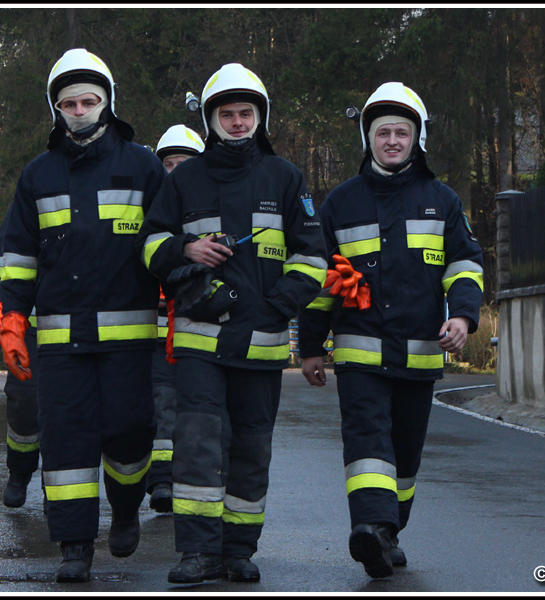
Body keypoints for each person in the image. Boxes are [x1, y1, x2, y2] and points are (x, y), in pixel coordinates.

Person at [137, 63, 328, 584]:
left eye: (246, 113)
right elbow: (151, 245)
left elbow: (313, 258)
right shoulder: (187, 178)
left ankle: (239, 549)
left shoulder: (285, 177)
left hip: (263, 343)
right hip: (200, 343)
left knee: (250, 448)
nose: (238, 121)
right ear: (211, 119)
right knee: (196, 445)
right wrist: (185, 247)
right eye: (228, 113)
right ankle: (197, 553)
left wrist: (276, 306)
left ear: (259, 118)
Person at [297, 82, 484, 579]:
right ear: (369, 138)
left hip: (421, 353)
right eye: (384, 132)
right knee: (366, 437)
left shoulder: (442, 201)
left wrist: (462, 317)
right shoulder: (340, 203)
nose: (393, 141)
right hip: (358, 352)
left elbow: (464, 264)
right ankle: (369, 529)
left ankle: (389, 531)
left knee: (404, 451)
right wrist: (312, 345)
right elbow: (320, 280)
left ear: (417, 138)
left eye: (403, 132)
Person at [0, 48, 166, 583]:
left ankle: (122, 509)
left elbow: (165, 243)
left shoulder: (143, 166)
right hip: (61, 341)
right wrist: (11, 322)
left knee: (130, 434)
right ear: (56, 110)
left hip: (129, 341)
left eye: (88, 100)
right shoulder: (38, 175)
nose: (79, 110)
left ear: (108, 103)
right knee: (66, 441)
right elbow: (19, 257)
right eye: (68, 102)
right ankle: (74, 545)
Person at [146, 124, 205, 514]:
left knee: (198, 410)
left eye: (184, 163)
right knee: (162, 406)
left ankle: (191, 481)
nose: (176, 170)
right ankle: (163, 482)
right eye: (169, 163)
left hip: (202, 330)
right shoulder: (153, 211)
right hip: (157, 334)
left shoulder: (208, 210)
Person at [0, 209, 41, 510]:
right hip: (27, 326)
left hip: (79, 328)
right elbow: (0, 264)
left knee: (69, 411)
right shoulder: (35, 190)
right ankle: (19, 472)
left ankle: (59, 494)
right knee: (23, 401)